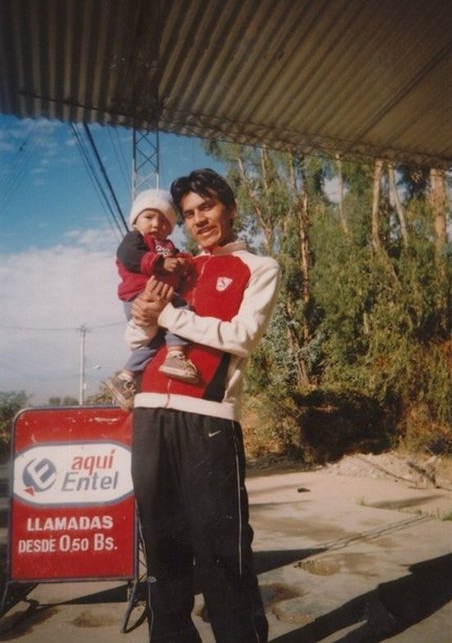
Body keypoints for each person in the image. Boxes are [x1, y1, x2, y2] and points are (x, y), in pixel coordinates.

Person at [127, 169, 280, 643]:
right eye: (190, 214)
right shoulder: (178, 265)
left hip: (208, 423)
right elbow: (138, 337)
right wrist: (140, 320)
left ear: (230, 208)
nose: (199, 220)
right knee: (163, 555)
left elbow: (242, 337)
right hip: (151, 415)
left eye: (207, 207)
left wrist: (168, 315)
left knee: (221, 558)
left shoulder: (259, 267)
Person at [105, 188, 200, 411]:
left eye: (164, 221)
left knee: (156, 341)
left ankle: (126, 376)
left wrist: (183, 262)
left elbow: (177, 258)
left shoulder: (167, 246)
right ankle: (176, 355)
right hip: (140, 296)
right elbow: (129, 257)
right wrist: (159, 263)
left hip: (159, 298)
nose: (156, 224)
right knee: (182, 307)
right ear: (135, 220)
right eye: (149, 217)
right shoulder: (134, 239)